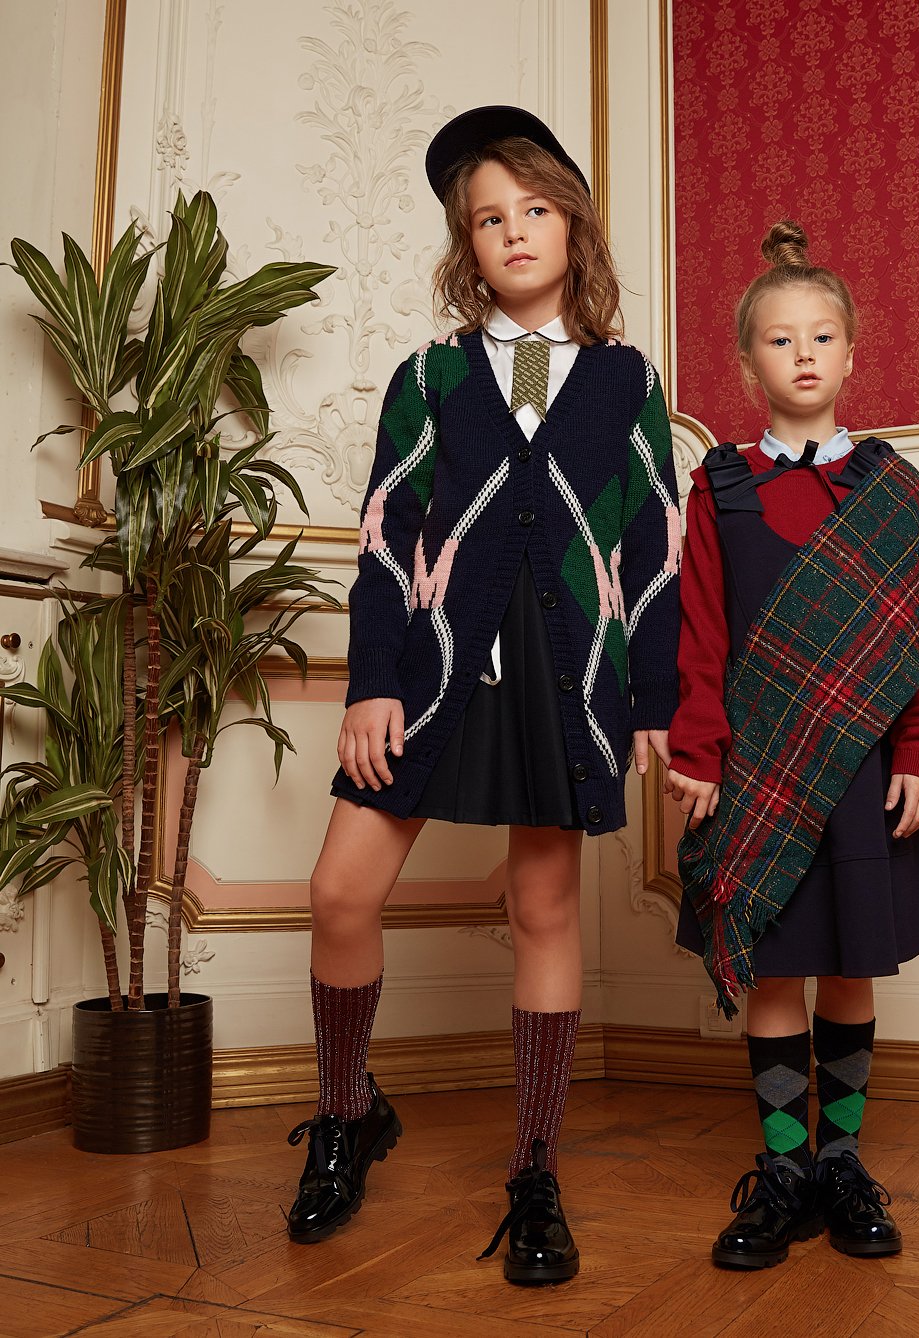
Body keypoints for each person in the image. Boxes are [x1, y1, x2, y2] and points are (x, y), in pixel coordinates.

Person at [286, 106, 681, 1287]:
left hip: (565, 677)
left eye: (534, 209)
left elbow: (654, 545)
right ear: (466, 245)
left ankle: (534, 1167)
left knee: (544, 911)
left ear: (572, 226)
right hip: (433, 669)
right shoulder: (429, 376)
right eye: (487, 219)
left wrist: (651, 696)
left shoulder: (624, 379)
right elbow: (382, 536)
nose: (513, 232)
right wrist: (369, 682)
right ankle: (347, 1111)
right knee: (338, 891)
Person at [665, 220, 919, 1270]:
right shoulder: (719, 486)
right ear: (746, 365)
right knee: (773, 970)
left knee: (851, 968)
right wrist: (698, 754)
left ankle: (842, 1163)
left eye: (821, 337)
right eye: (779, 340)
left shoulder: (891, 490)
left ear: (852, 355)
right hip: (760, 772)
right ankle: (784, 1171)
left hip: (863, 774)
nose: (802, 354)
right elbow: (700, 634)